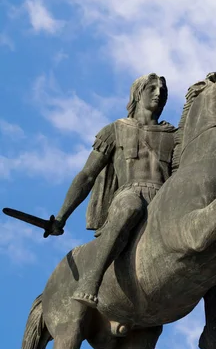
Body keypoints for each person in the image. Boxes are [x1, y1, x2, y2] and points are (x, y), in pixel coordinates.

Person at [49, 73, 177, 308]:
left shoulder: (175, 136)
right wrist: (61, 217)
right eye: (152, 88)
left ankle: (211, 328)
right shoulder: (115, 130)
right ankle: (90, 281)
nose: (159, 94)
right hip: (129, 193)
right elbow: (87, 175)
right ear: (138, 94)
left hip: (164, 198)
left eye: (163, 90)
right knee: (130, 207)